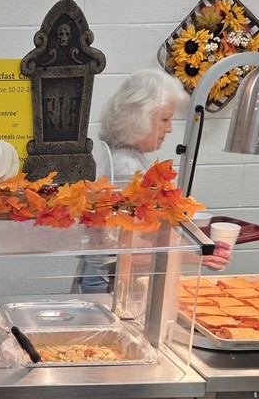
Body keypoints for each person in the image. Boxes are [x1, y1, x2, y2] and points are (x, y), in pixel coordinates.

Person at [80, 69, 231, 293]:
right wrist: (193, 255)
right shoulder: (125, 167)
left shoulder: (127, 155)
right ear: (139, 118)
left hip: (110, 278)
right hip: (110, 283)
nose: (169, 129)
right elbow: (120, 244)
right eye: (165, 119)